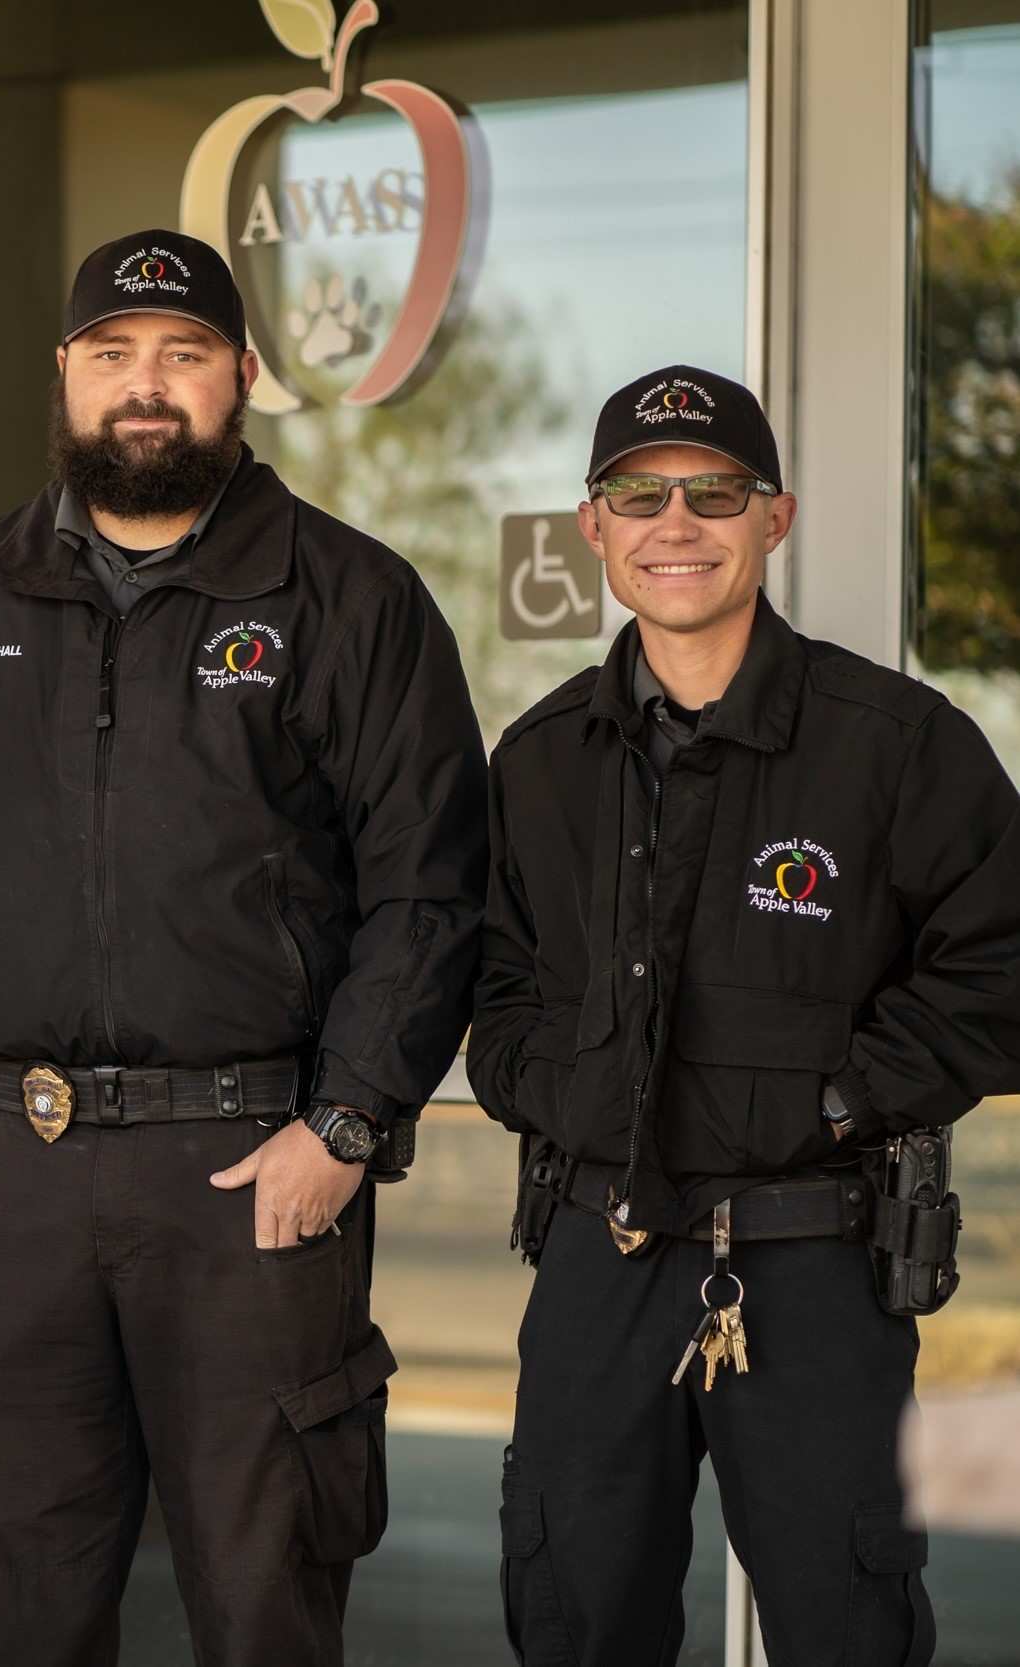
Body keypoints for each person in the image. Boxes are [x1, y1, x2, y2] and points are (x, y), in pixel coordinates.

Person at [0, 228, 487, 1667]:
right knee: (15, 1612)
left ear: (241, 377)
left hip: (254, 1178)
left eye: (182, 354)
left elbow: (429, 889)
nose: (148, 386)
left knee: (264, 1609)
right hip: (12, 1177)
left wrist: (347, 1121)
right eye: (114, 355)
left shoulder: (348, 600)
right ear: (66, 377)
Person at [471, 365, 1020, 1666]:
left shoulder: (896, 742)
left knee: (847, 1625)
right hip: (597, 1263)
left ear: (773, 517)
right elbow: (488, 992)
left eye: (714, 492)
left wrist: (840, 1098)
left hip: (814, 1263)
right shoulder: (538, 761)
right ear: (593, 525)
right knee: (575, 1621)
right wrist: (569, 1092)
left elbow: (1001, 967)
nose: (678, 521)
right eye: (639, 494)